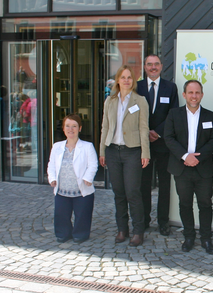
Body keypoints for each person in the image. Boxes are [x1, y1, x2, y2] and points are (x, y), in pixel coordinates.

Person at [164, 80, 213, 254]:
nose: (194, 96)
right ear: (184, 95)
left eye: (197, 93)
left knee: (205, 204)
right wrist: (185, 156)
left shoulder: (210, 116)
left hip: (203, 169)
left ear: (202, 95)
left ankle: (206, 239)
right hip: (181, 168)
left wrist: (198, 158)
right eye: (190, 92)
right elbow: (169, 138)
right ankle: (189, 237)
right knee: (185, 204)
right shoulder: (174, 114)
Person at [100, 65, 150, 247]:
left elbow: (144, 128)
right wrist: (102, 151)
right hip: (113, 151)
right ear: (118, 80)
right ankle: (122, 229)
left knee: (133, 193)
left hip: (132, 151)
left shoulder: (140, 100)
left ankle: (138, 231)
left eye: (130, 77)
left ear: (133, 81)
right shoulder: (110, 101)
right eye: (123, 77)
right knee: (118, 193)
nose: (127, 80)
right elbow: (104, 127)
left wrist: (145, 152)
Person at [137, 54, 179, 236]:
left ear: (162, 66)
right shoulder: (136, 87)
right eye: (149, 64)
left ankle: (163, 221)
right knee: (143, 184)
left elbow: (173, 114)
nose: (153, 67)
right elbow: (133, 113)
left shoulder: (170, 87)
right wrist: (146, 132)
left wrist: (157, 132)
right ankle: (144, 219)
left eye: (156, 64)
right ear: (144, 67)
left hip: (163, 144)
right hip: (142, 145)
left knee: (164, 185)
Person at [48, 114, 98, 243]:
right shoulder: (57, 146)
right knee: (61, 214)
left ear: (80, 128)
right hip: (62, 189)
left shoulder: (87, 146)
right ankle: (63, 233)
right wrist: (52, 178)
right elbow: (51, 165)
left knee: (82, 215)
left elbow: (93, 165)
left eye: (74, 126)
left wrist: (88, 178)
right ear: (63, 129)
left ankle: (80, 234)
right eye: (68, 126)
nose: (71, 129)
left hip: (81, 189)